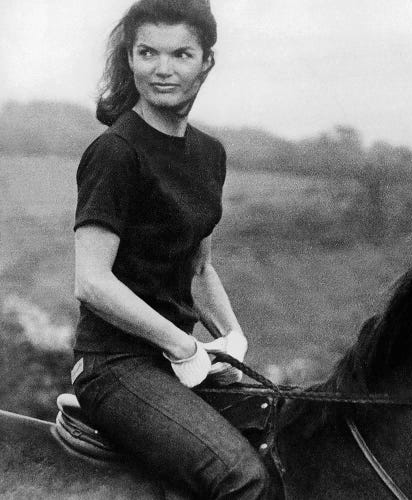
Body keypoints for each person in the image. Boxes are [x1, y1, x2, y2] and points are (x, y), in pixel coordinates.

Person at [70, 1, 269, 498]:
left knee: (296, 432)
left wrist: (232, 338)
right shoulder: (116, 153)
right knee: (241, 478)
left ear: (206, 63)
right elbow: (92, 282)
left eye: (181, 54)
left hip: (179, 364)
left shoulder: (209, 155)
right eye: (147, 53)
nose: (163, 69)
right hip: (117, 367)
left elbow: (199, 268)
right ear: (130, 59)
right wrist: (181, 345)